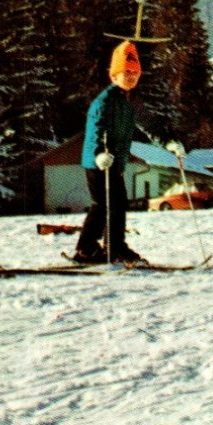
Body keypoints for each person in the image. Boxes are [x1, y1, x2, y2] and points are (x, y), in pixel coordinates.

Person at [73, 41, 146, 265]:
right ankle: (97, 248)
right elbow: (96, 129)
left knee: (115, 204)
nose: (131, 77)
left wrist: (169, 144)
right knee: (105, 204)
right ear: (114, 75)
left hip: (114, 164)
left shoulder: (126, 102)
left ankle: (102, 247)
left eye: (135, 73)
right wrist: (98, 154)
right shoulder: (104, 101)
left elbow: (136, 131)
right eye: (126, 72)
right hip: (98, 163)